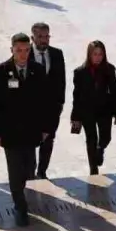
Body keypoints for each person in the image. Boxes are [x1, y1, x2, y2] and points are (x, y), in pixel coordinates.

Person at [0, 33, 52, 226]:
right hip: (10, 131)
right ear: (12, 50)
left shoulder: (37, 70)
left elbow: (45, 101)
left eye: (26, 50)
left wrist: (45, 127)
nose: (23, 54)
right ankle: (20, 206)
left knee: (28, 169)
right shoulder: (1, 71)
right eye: (19, 50)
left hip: (31, 130)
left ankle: (21, 192)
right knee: (15, 170)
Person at [71, 41, 116, 175]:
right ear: (89, 55)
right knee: (91, 139)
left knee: (106, 137)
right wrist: (75, 116)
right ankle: (93, 167)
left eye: (100, 54)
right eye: (95, 54)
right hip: (87, 110)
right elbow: (77, 95)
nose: (98, 57)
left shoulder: (109, 69)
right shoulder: (80, 72)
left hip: (105, 109)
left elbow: (114, 91)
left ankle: (101, 149)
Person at [30, 23, 66, 179]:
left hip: (51, 107)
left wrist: (60, 103)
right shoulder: (25, 53)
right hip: (31, 107)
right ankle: (29, 172)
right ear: (33, 38)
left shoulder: (57, 54)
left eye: (46, 36)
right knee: (30, 142)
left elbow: (61, 81)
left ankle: (42, 172)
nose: (44, 40)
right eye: (40, 36)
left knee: (48, 140)